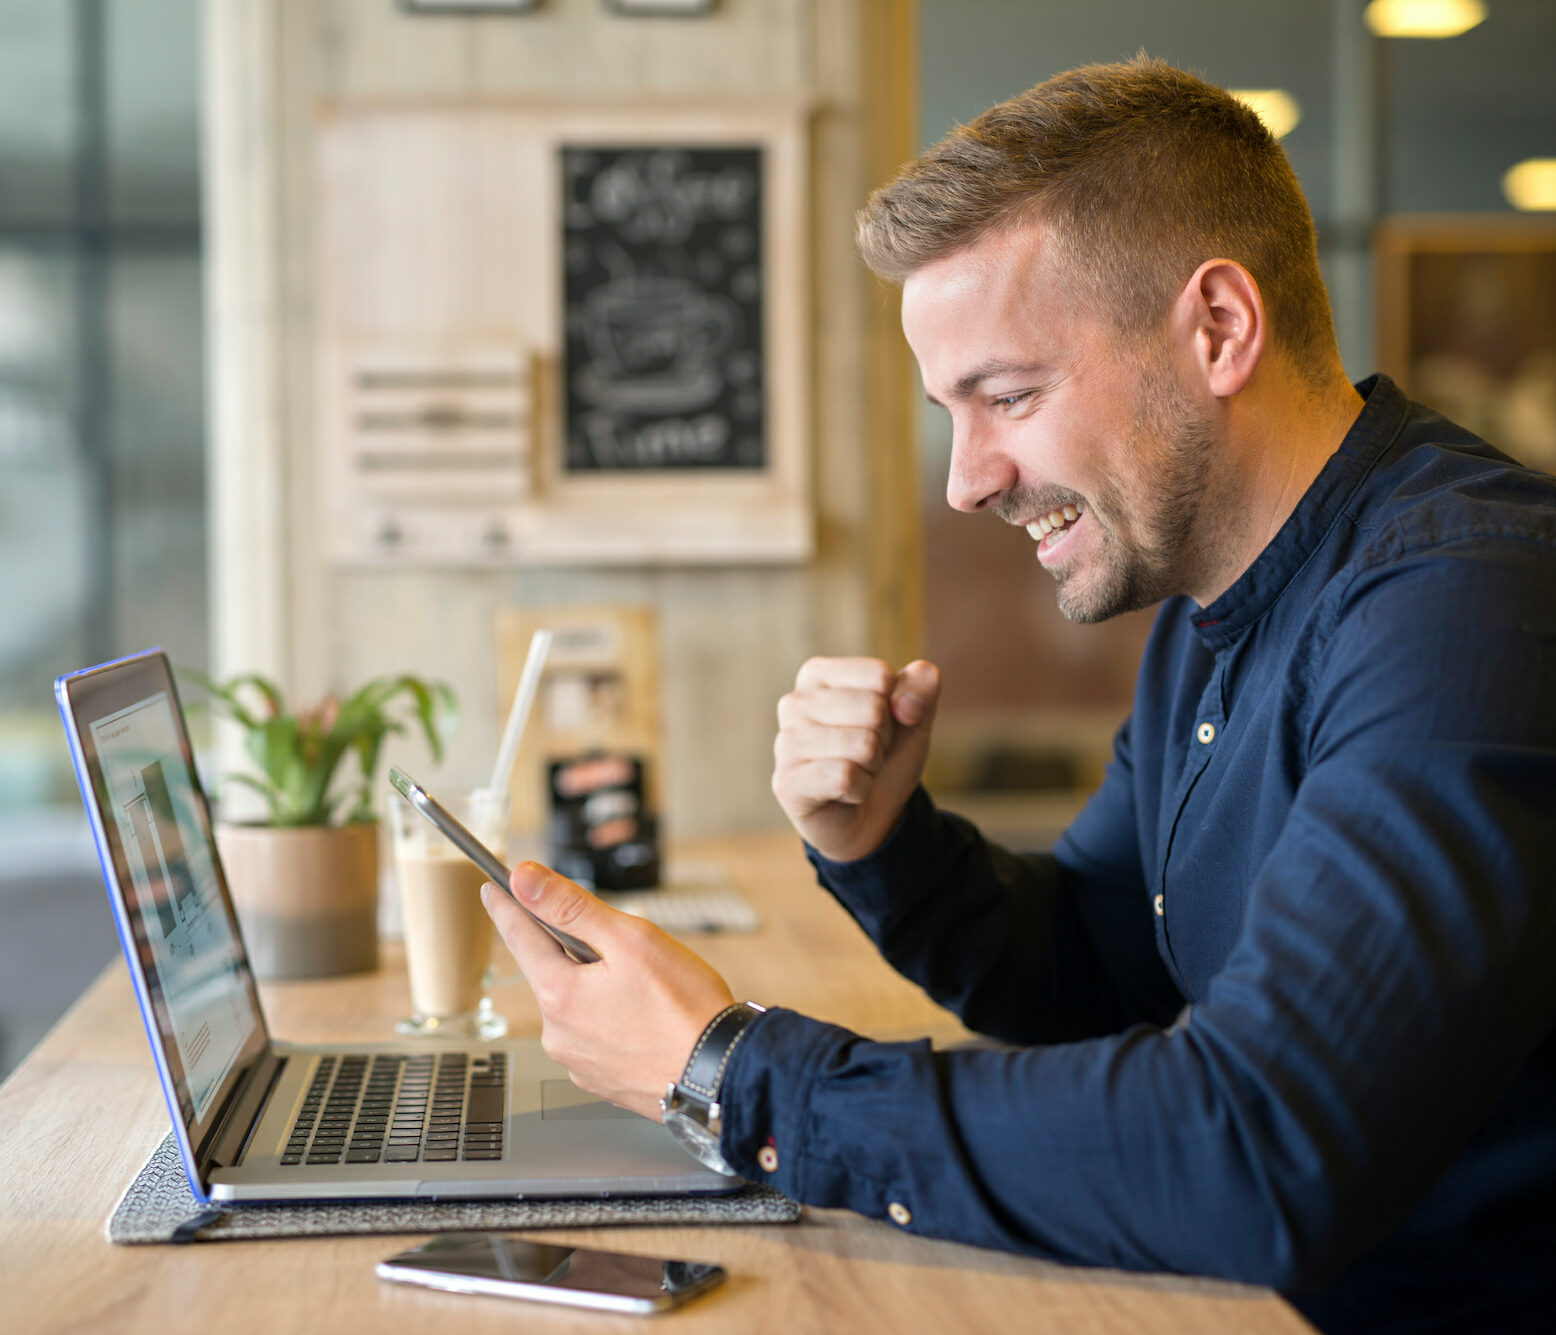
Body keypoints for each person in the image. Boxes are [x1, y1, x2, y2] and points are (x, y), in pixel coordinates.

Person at [481, 57, 1556, 1333]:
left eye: (1007, 396)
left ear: (1217, 328)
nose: (967, 479)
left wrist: (730, 1073)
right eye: (951, 411)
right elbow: (1099, 967)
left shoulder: (1465, 600)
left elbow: (1259, 1149)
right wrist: (882, 842)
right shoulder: (1214, 605)